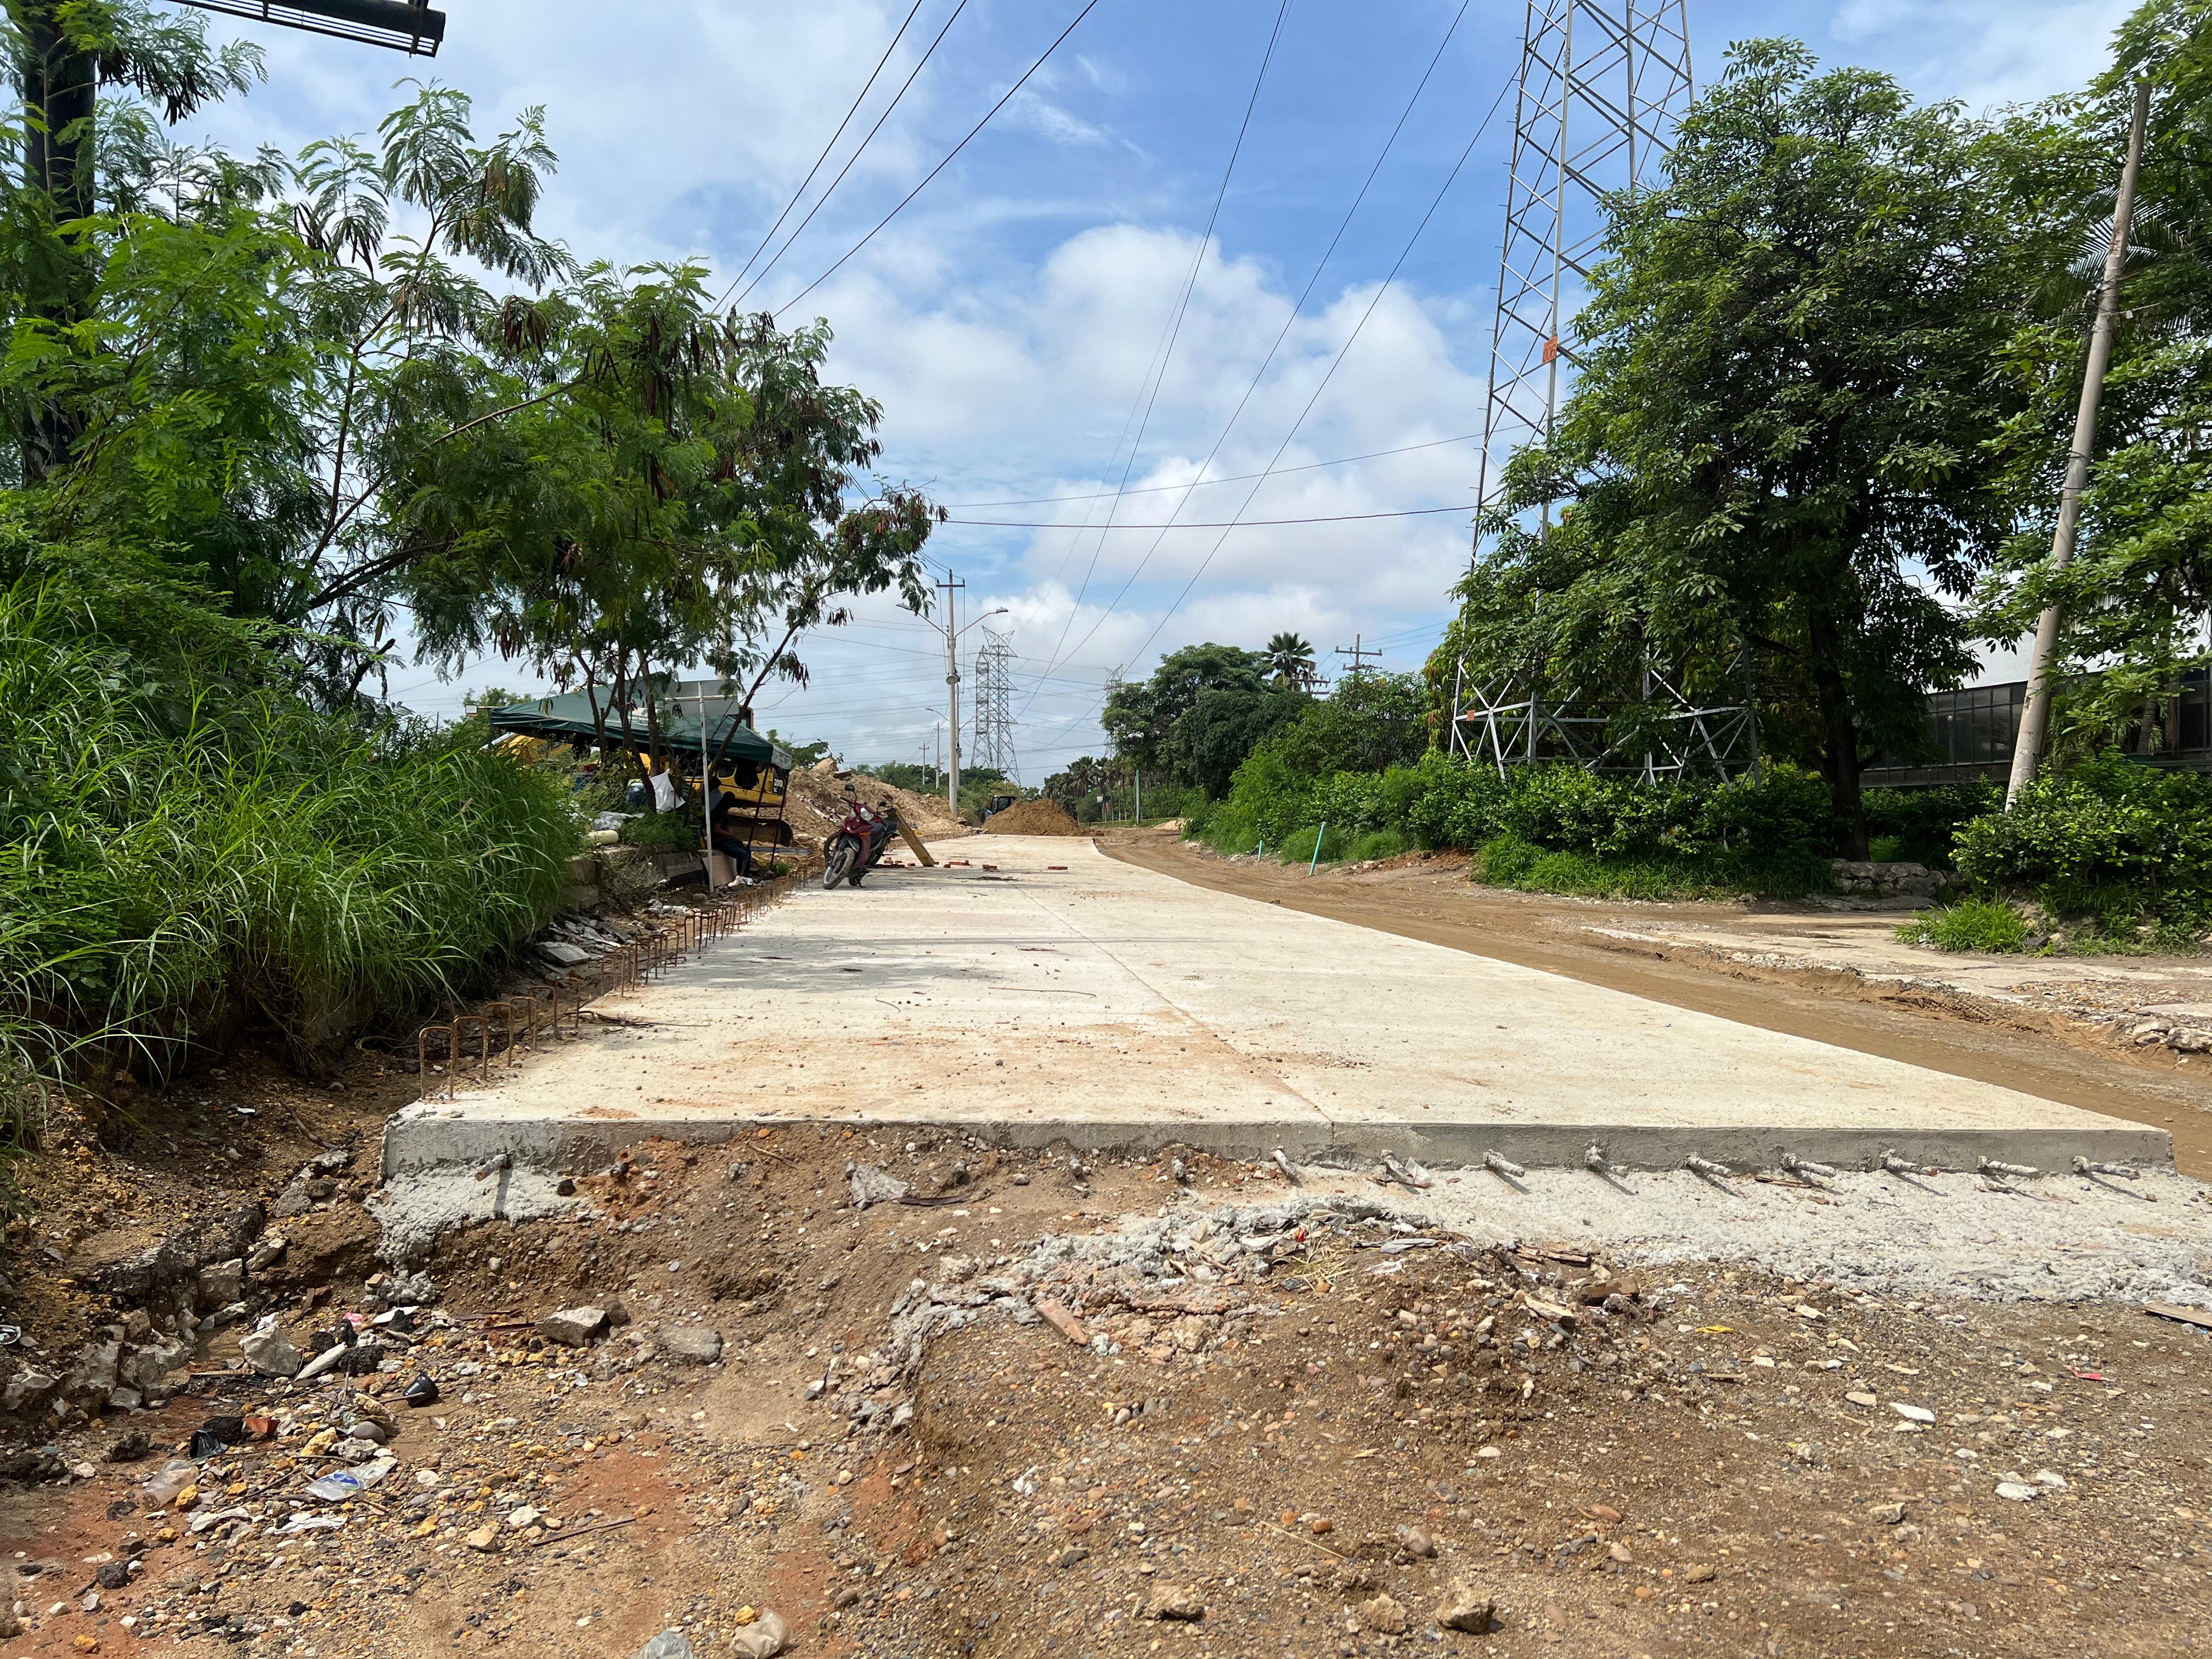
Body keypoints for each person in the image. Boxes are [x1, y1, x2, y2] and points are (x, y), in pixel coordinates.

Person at [709, 791, 755, 878]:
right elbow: (717, 829)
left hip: (726, 840)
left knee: (747, 851)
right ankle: (740, 876)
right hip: (719, 842)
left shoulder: (723, 811)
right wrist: (731, 836)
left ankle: (746, 874)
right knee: (742, 854)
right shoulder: (719, 812)